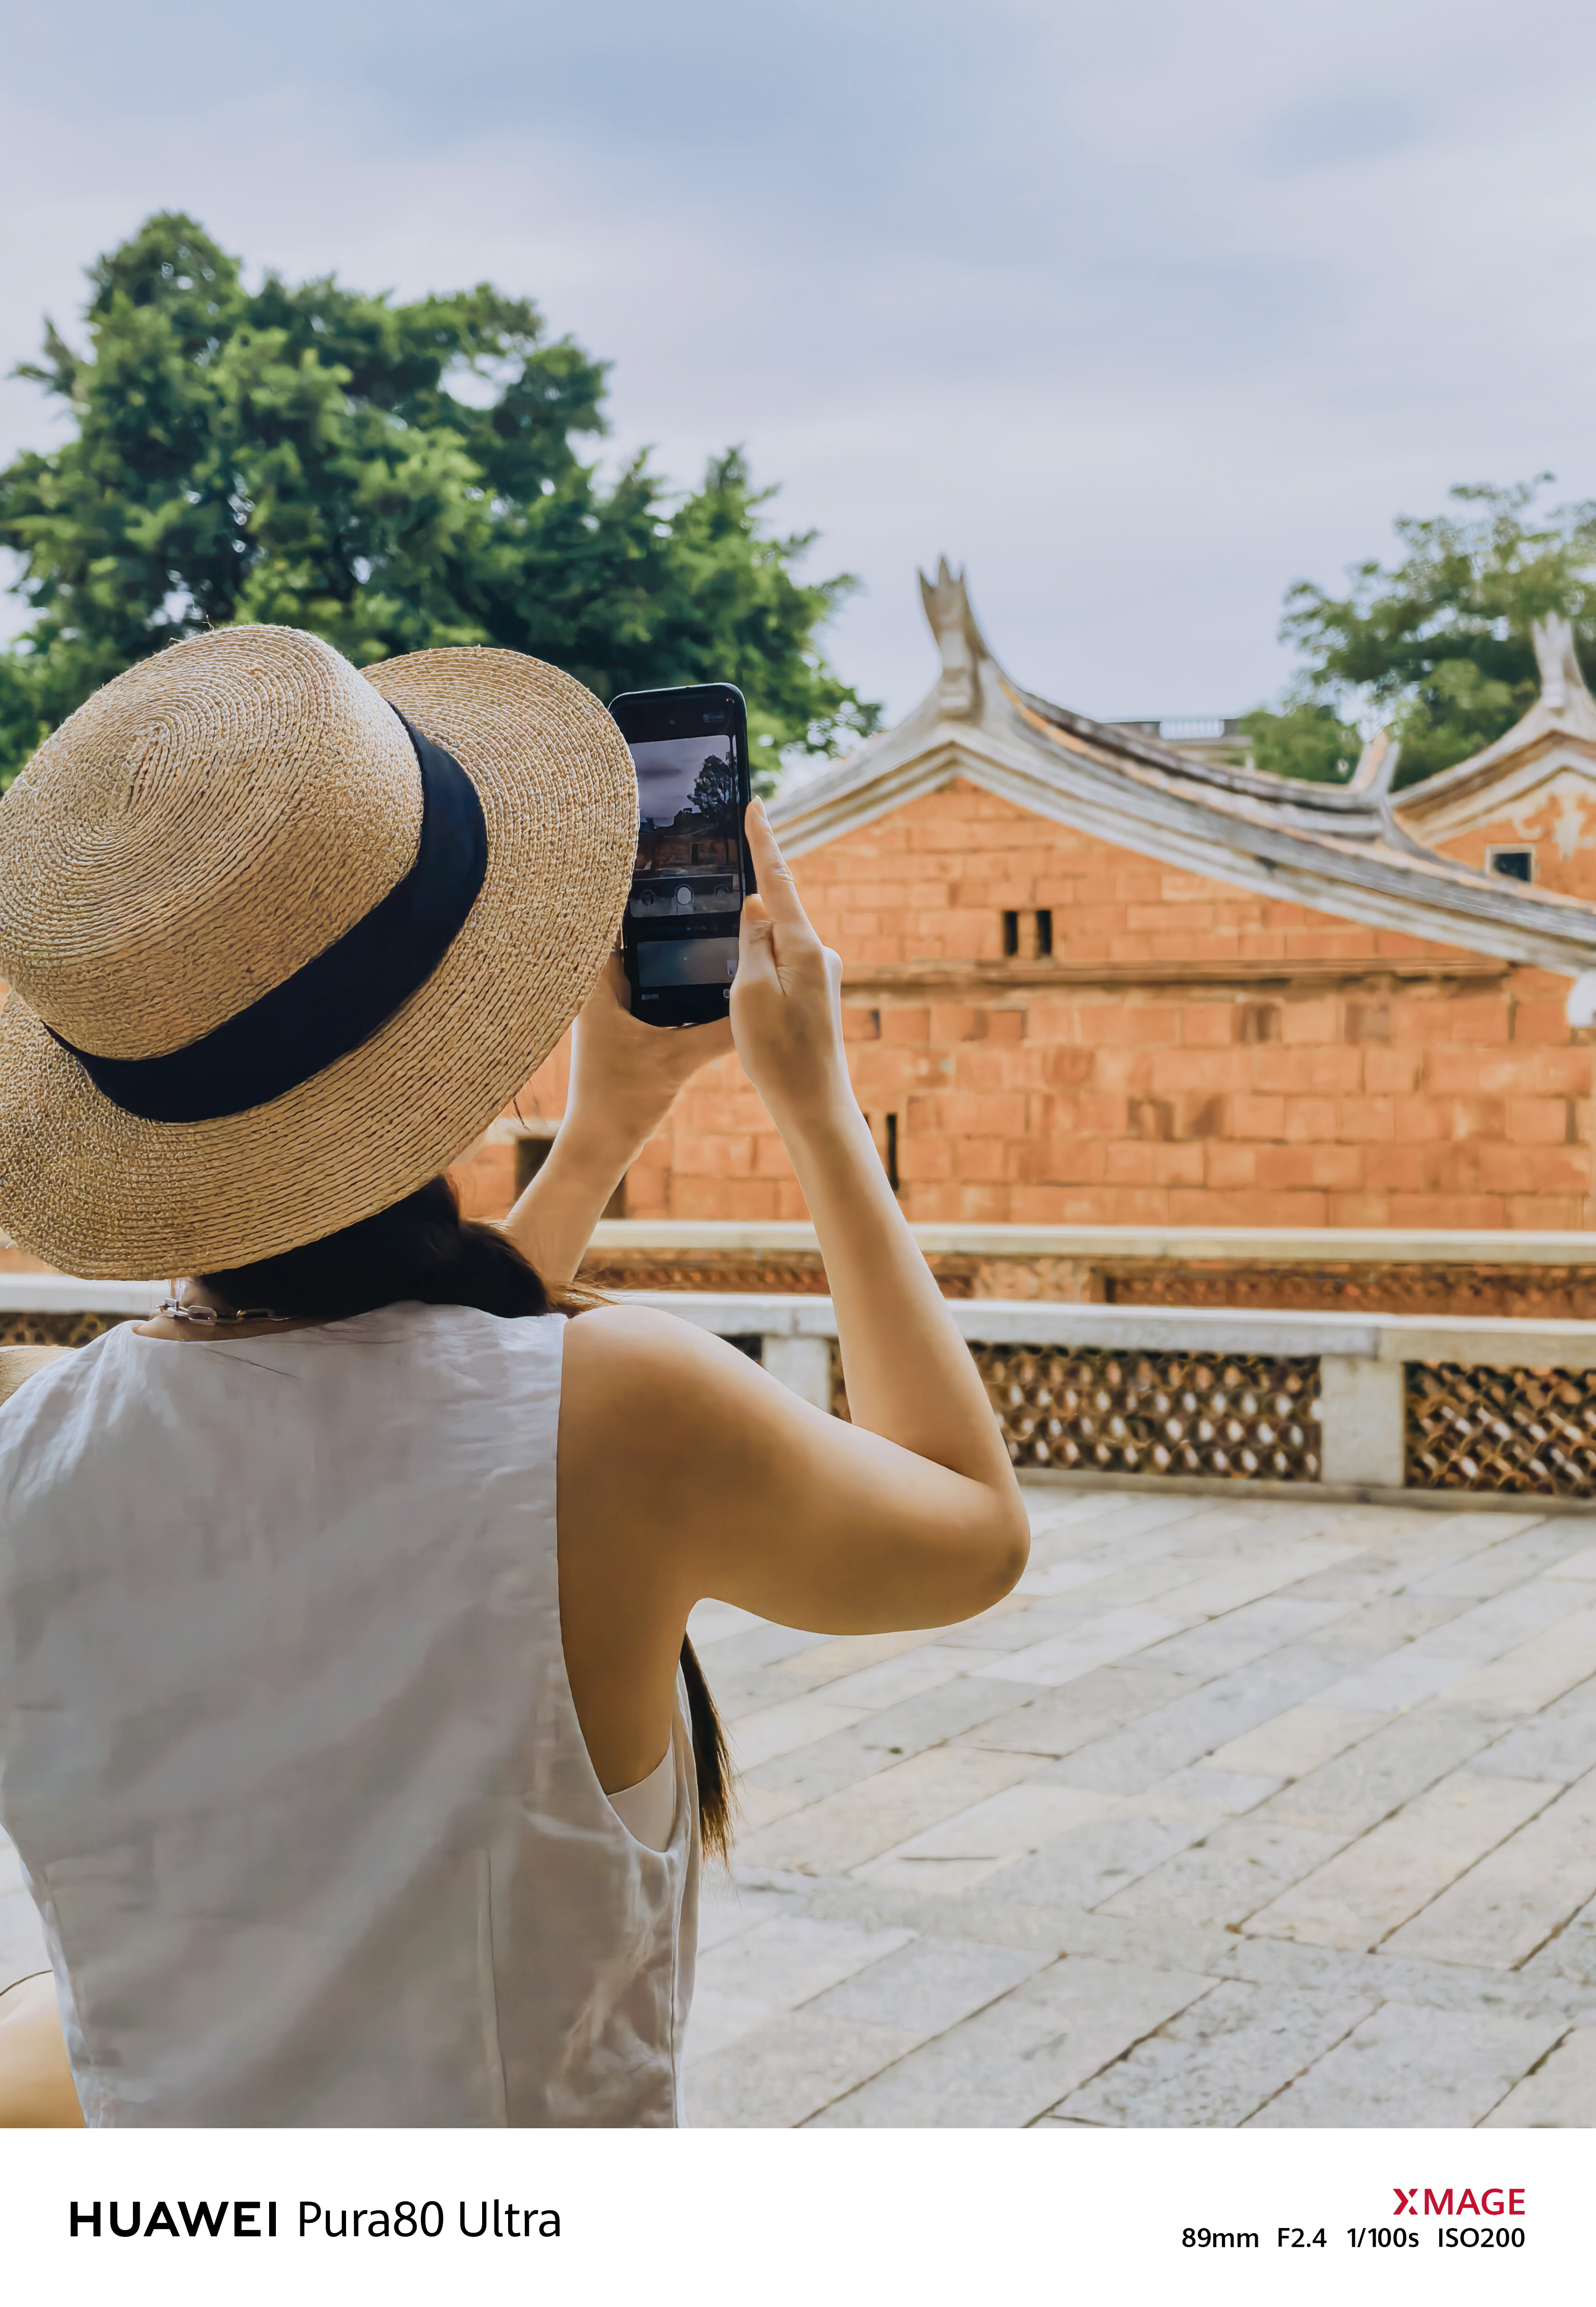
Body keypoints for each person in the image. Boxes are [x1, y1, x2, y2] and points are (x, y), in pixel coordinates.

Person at [0, 626, 1028, 2128]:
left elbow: (383, 1398)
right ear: (470, 1016)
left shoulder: (30, 1457)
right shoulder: (630, 1410)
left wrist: (601, 1139)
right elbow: (970, 1533)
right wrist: (819, 1110)